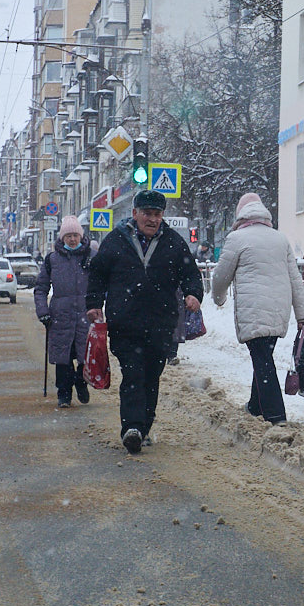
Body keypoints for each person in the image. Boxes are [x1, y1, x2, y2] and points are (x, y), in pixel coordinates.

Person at [86, 189, 204, 454]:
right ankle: (132, 428)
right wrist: (93, 303)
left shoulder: (173, 242)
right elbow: (97, 275)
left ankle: (144, 427)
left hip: (161, 323)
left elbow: (190, 273)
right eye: (147, 213)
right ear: (135, 213)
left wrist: (193, 294)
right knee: (133, 374)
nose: (152, 219)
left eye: (157, 214)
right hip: (124, 323)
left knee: (151, 375)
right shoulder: (116, 240)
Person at [210, 192, 304, 426]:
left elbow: (221, 276)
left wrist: (218, 298)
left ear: (240, 214)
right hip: (279, 310)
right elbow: (295, 279)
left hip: (253, 309)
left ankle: (276, 416)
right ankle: (255, 406)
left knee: (262, 360)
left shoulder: (236, 239)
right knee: (263, 356)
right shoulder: (280, 239)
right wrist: (302, 314)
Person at [34, 216, 92, 409]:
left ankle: (81, 383)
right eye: (68, 236)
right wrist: (43, 311)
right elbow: (41, 288)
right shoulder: (52, 259)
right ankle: (64, 394)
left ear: (81, 236)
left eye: (75, 235)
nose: (72, 239)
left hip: (85, 315)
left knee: (85, 356)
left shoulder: (91, 257)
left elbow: (101, 284)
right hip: (60, 317)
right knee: (63, 359)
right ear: (62, 238)